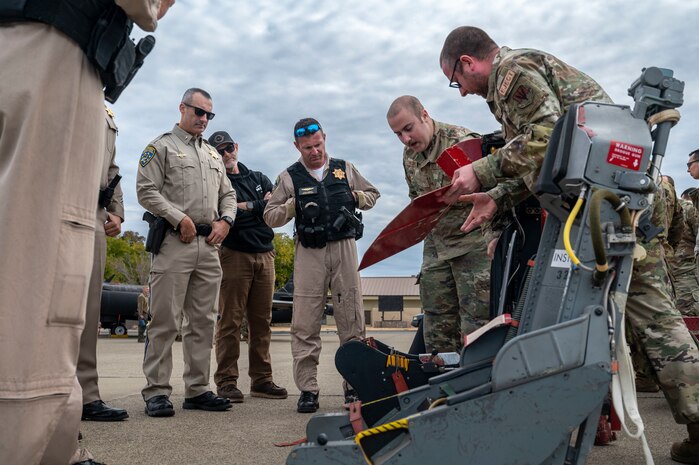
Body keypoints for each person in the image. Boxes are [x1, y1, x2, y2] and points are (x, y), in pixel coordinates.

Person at [438, 26, 699, 463]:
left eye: (455, 81)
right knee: (643, 314)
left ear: (467, 62)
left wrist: (481, 172)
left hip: (609, 205)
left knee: (648, 319)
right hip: (612, 199)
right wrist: (497, 197)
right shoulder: (518, 73)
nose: (461, 92)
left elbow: (542, 138)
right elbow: (550, 157)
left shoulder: (512, 71)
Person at [0, 2, 172, 464]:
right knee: (40, 269)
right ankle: (34, 447)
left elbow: (111, 172)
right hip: (50, 47)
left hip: (23, 46)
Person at [263, 118, 380, 413]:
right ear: (296, 147)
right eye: (307, 148)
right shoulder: (289, 177)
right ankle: (308, 390)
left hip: (344, 249)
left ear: (324, 138)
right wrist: (292, 205)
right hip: (309, 253)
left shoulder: (344, 168)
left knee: (351, 318)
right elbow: (270, 216)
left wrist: (356, 196)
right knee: (305, 322)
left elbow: (373, 195)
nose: (314, 152)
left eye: (317, 145)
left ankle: (354, 387)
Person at [136, 87, 236, 417]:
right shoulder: (161, 146)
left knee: (204, 323)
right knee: (164, 320)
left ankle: (197, 389)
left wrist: (226, 221)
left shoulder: (212, 155)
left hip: (209, 247)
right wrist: (178, 218)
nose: (204, 119)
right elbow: (145, 190)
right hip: (173, 244)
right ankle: (157, 392)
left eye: (209, 115)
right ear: (182, 108)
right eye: (198, 112)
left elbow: (229, 195)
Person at [386, 96, 490, 352]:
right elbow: (417, 201)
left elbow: (493, 195)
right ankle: (441, 383)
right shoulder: (409, 156)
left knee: (476, 323)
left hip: (472, 245)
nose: (406, 139)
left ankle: (476, 385)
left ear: (424, 114)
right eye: (398, 134)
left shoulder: (462, 143)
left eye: (408, 129)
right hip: (436, 246)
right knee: (436, 321)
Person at [207, 130, 288, 403]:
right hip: (234, 255)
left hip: (265, 255)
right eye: (219, 151)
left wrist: (246, 207)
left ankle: (261, 380)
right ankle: (227, 382)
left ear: (236, 147)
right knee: (230, 320)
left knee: (261, 322)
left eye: (228, 148)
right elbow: (222, 216)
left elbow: (273, 209)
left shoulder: (258, 177)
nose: (226, 154)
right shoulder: (216, 183)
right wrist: (254, 208)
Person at [77, 106, 129, 423]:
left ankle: (85, 395)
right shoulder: (63, 81)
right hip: (55, 204)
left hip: (95, 216)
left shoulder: (106, 112)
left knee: (88, 309)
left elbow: (111, 169)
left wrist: (117, 211)